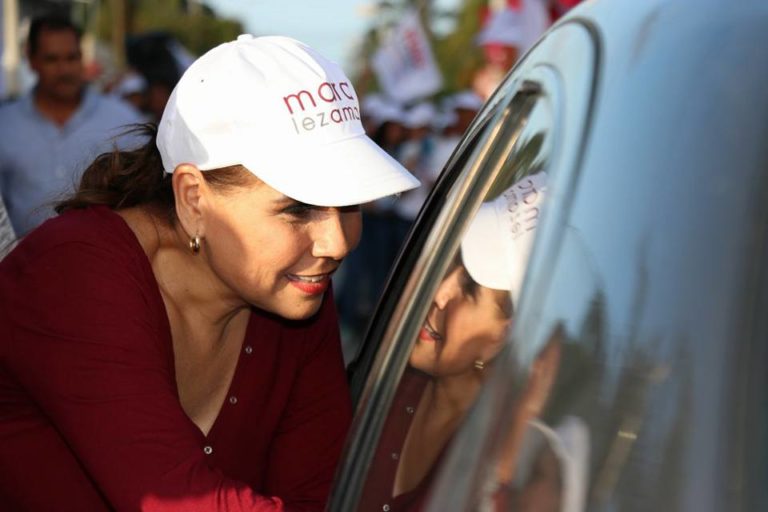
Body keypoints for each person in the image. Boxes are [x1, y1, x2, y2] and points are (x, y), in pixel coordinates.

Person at [0, 35, 419, 511]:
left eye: (351, 203)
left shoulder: (294, 290)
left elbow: (320, 490)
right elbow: (179, 499)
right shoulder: (74, 274)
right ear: (193, 198)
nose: (336, 243)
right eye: (298, 208)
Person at [359, 172, 547, 512]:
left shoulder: (500, 464)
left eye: (471, 288)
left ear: (509, 333)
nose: (440, 292)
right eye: (449, 261)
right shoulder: (381, 378)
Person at [0, 14, 143, 235]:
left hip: (103, 254)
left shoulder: (122, 120)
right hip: (22, 256)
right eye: (52, 59)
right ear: (31, 60)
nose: (64, 70)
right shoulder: (6, 125)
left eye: (72, 58)